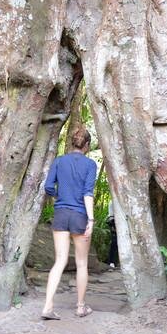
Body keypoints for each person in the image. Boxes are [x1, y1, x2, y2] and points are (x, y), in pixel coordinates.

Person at [41, 126, 97, 320]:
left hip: (61, 214)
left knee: (60, 261)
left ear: (72, 143)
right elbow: (87, 193)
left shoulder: (59, 161)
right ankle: (80, 307)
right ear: (87, 146)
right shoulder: (90, 165)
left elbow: (48, 186)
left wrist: (59, 196)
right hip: (80, 215)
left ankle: (47, 306)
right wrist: (90, 219)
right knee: (81, 264)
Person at [106, 200, 118, 269]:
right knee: (114, 242)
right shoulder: (112, 201)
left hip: (119, 221)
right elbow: (111, 215)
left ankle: (114, 262)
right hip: (113, 221)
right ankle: (111, 262)